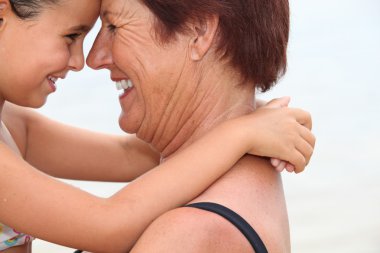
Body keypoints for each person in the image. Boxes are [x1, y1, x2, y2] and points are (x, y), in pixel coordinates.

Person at [0, 0, 314, 252]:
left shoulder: (196, 233)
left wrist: (250, 120)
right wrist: (242, 131)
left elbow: (130, 155)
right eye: (71, 36)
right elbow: (107, 224)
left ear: (199, 30)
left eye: (113, 26)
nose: (88, 60)